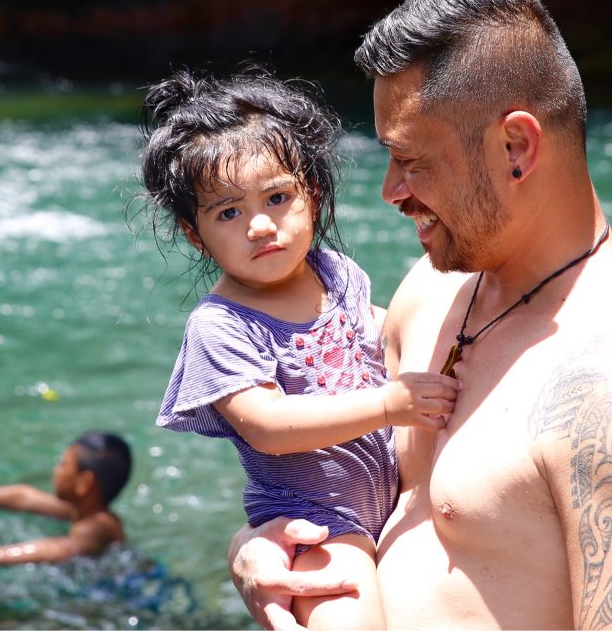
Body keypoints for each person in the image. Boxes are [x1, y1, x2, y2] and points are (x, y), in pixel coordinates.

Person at [229, 0, 612, 630]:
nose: (390, 192)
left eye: (410, 159)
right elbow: (347, 493)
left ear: (515, 147)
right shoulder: (429, 290)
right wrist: (255, 550)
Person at [140, 68, 461, 629]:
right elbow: (266, 423)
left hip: (387, 501)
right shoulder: (221, 326)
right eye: (228, 212)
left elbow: (378, 331)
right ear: (196, 234)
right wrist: (391, 404)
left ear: (311, 194)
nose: (261, 226)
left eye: (277, 197)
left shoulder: (332, 271)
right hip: (314, 524)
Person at [0, 431, 131, 565]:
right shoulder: (81, 509)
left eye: (62, 464)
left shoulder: (97, 525)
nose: (56, 471)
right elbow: (25, 497)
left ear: (83, 483)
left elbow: (59, 549)